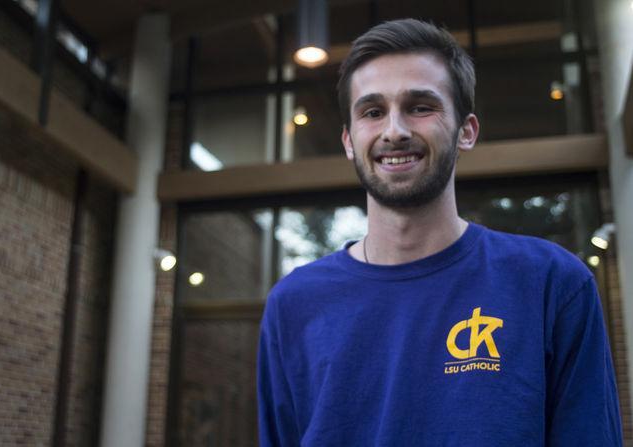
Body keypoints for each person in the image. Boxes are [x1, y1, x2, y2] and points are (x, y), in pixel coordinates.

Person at [257, 18, 623, 446]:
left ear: (466, 131)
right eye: (373, 112)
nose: (394, 131)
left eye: (420, 107)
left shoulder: (550, 283)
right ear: (348, 141)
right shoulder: (294, 304)